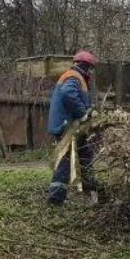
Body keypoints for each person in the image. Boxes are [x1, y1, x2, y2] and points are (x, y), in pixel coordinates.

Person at [47, 50, 98, 205]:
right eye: (90, 68)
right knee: (65, 159)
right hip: (67, 126)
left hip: (72, 126)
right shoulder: (73, 77)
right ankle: (56, 199)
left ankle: (91, 193)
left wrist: (88, 111)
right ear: (85, 66)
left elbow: (76, 97)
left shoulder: (76, 77)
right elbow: (68, 93)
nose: (90, 71)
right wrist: (83, 113)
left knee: (85, 155)